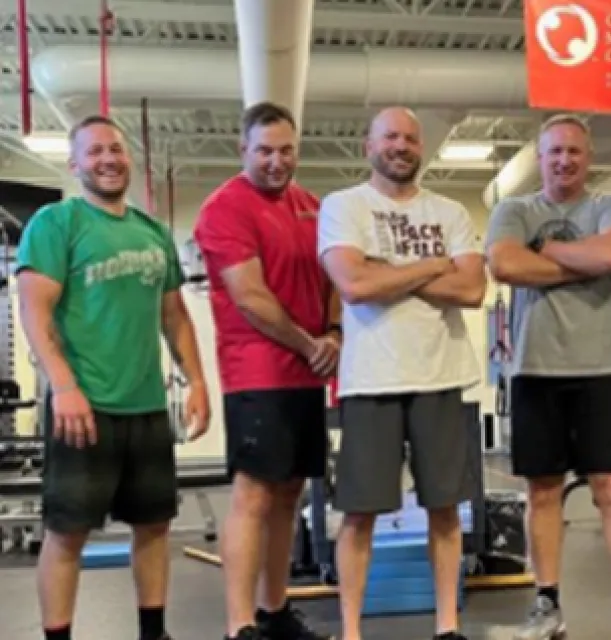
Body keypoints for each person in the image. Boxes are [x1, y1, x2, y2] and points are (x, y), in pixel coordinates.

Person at [16, 114, 210, 640]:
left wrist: (197, 381)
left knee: (153, 526)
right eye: (95, 151)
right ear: (75, 163)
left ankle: (154, 634)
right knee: (67, 533)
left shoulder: (151, 233)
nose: (108, 159)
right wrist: (65, 386)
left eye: (116, 150)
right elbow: (34, 312)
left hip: (146, 408)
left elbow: (175, 316)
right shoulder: (57, 223)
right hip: (85, 408)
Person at [318, 106, 484, 640]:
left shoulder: (451, 212)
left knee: (444, 509)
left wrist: (385, 271)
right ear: (369, 146)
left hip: (440, 376)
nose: (401, 146)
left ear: (421, 149)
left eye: (411, 138)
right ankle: (350, 631)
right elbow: (354, 286)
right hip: (371, 380)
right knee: (359, 515)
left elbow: (472, 290)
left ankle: (447, 626)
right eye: (390, 136)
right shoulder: (343, 206)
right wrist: (435, 264)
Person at [485, 114, 611, 640]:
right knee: (542, 491)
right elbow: (506, 267)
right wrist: (587, 262)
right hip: (535, 369)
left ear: (588, 154)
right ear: (540, 155)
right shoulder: (514, 209)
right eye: (554, 151)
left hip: (597, 370)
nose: (564, 160)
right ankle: (547, 605)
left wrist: (549, 252)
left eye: (574, 151)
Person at [193, 102, 340, 640]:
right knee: (254, 493)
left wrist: (335, 336)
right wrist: (309, 342)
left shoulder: (312, 206)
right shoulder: (225, 208)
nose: (276, 162)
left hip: (306, 371)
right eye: (264, 151)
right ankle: (240, 625)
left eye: (286, 150)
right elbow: (251, 298)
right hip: (257, 371)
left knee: (290, 492)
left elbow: (334, 282)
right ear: (243, 150)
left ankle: (274, 611)